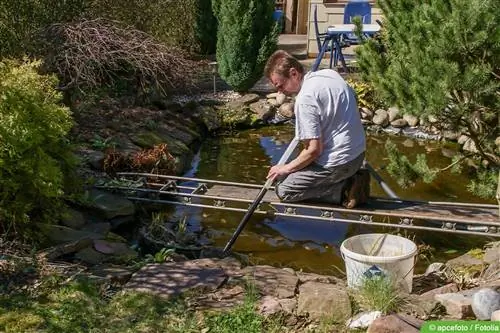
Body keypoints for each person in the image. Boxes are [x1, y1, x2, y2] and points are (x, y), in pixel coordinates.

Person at [264, 50, 369, 207]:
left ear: (293, 73)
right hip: (358, 155)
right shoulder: (328, 74)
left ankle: (344, 190)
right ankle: (352, 177)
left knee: (284, 189)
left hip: (339, 164)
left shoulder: (305, 100)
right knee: (290, 171)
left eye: (281, 85)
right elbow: (352, 97)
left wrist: (285, 168)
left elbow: (314, 151)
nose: (280, 91)